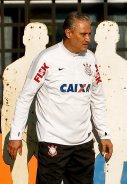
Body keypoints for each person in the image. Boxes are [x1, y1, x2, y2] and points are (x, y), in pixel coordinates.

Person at [7, 11, 113, 184]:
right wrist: (15, 135)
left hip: (83, 143)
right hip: (53, 142)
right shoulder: (47, 58)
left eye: (89, 34)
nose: (88, 39)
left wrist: (104, 134)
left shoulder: (90, 59)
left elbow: (97, 99)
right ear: (69, 33)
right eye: (83, 34)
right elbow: (26, 97)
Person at [1, 22, 48, 184]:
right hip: (22, 133)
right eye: (32, 37)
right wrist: (11, 137)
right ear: (24, 39)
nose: (36, 40)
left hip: (46, 132)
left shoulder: (54, 69)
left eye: (39, 37)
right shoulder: (12, 70)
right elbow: (7, 108)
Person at [94, 20, 127, 184]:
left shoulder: (126, 68)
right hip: (86, 127)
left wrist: (125, 136)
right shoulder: (84, 63)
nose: (108, 36)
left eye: (111, 33)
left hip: (115, 127)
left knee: (112, 175)